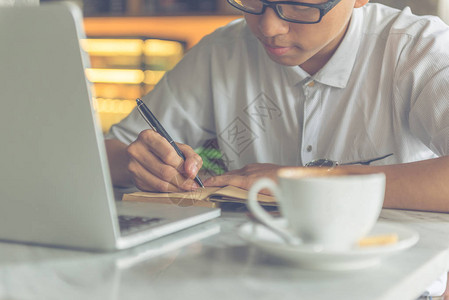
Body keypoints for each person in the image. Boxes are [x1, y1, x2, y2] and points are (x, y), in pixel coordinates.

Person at [105, 0, 449, 213]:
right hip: (250, 273)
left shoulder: (418, 49)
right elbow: (108, 153)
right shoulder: (222, 51)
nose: (269, 27)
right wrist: (139, 162)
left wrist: (311, 181)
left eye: (299, 4)